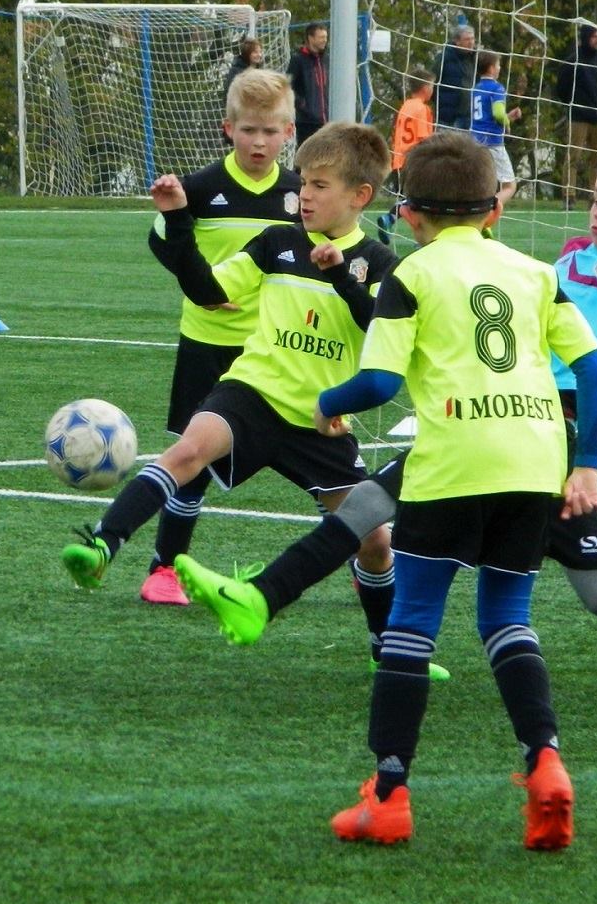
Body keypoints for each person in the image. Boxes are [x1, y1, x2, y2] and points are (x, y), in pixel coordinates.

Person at [175, 132, 597, 704]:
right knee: (370, 504)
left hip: (550, 434)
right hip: (497, 418)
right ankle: (262, 597)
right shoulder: (560, 262)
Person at [314, 131, 597, 849]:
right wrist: (588, 462)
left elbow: (379, 383)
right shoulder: (535, 272)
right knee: (508, 616)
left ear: (410, 214)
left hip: (453, 463)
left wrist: (328, 402)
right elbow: (593, 370)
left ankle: (388, 795)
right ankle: (545, 761)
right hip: (535, 461)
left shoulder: (411, 275)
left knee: (413, 620)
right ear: (493, 210)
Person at [63, 124, 401, 661]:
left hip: (319, 419)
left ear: (360, 196)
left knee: (375, 540)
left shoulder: (381, 264)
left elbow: (379, 329)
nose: (304, 195)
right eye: (303, 183)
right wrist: (178, 219)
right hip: (252, 390)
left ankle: (390, 651)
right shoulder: (277, 242)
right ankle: (103, 544)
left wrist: (342, 277)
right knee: (187, 450)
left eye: (319, 186)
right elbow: (207, 289)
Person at [136, 69, 301, 606]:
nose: (259, 142)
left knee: (318, 456)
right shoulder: (201, 187)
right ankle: (165, 569)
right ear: (228, 128)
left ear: (288, 132)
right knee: (193, 462)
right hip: (207, 346)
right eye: (249, 130)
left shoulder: (300, 194)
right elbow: (163, 244)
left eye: (270, 131)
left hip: (276, 350)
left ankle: (359, 552)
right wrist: (201, 282)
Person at [556, 24, 597, 207]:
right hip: (578, 117)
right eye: (594, 36)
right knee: (573, 157)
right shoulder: (573, 60)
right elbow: (561, 88)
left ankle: (594, 196)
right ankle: (568, 196)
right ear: (586, 37)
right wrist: (573, 104)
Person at [378, 69, 434, 241]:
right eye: (432, 86)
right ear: (425, 88)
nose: (433, 90)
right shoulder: (422, 109)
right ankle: (391, 219)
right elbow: (424, 138)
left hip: (399, 160)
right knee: (423, 198)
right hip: (415, 161)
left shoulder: (405, 106)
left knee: (412, 198)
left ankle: (391, 219)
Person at [471, 49, 525, 205]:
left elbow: (487, 115)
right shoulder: (497, 88)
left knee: (484, 182)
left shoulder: (476, 88)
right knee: (509, 186)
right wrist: (506, 121)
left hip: (475, 141)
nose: (500, 68)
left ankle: (478, 210)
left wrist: (508, 117)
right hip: (492, 142)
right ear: (491, 68)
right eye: (498, 65)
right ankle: (488, 210)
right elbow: (498, 114)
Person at [286, 23, 329, 145]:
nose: (324, 40)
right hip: (306, 122)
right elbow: (287, 86)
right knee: (307, 153)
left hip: (327, 120)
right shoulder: (298, 60)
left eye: (325, 37)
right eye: (321, 37)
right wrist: (303, 105)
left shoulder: (326, 59)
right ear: (311, 38)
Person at [433, 24, 477, 131]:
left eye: (472, 39)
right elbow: (432, 82)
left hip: (469, 117)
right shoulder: (444, 58)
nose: (471, 42)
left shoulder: (475, 59)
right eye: (467, 39)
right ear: (457, 41)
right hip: (448, 118)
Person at [222, 37, 265, 105]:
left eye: (260, 52)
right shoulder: (236, 71)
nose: (259, 55)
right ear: (247, 53)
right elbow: (229, 95)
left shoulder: (259, 70)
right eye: (255, 52)